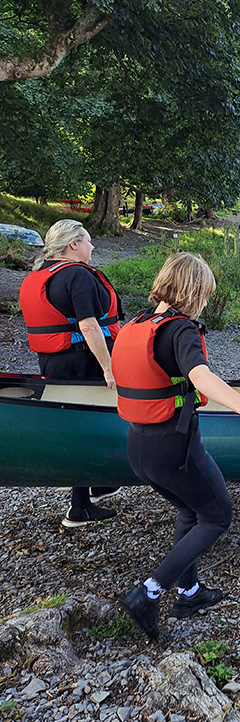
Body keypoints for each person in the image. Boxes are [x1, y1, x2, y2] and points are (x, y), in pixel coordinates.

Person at [112, 253, 240, 639]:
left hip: (138, 447)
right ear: (193, 291)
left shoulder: (137, 323)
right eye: (205, 294)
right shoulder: (180, 329)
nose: (206, 301)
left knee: (190, 511)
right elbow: (200, 373)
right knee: (218, 516)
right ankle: (148, 593)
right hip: (175, 450)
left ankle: (189, 593)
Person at [19, 219, 123, 526]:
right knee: (92, 423)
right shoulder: (77, 275)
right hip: (83, 360)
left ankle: (96, 487)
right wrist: (109, 368)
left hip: (53, 362)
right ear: (73, 244)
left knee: (77, 425)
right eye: (88, 241)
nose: (93, 247)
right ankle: (81, 505)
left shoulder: (41, 275)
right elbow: (89, 325)